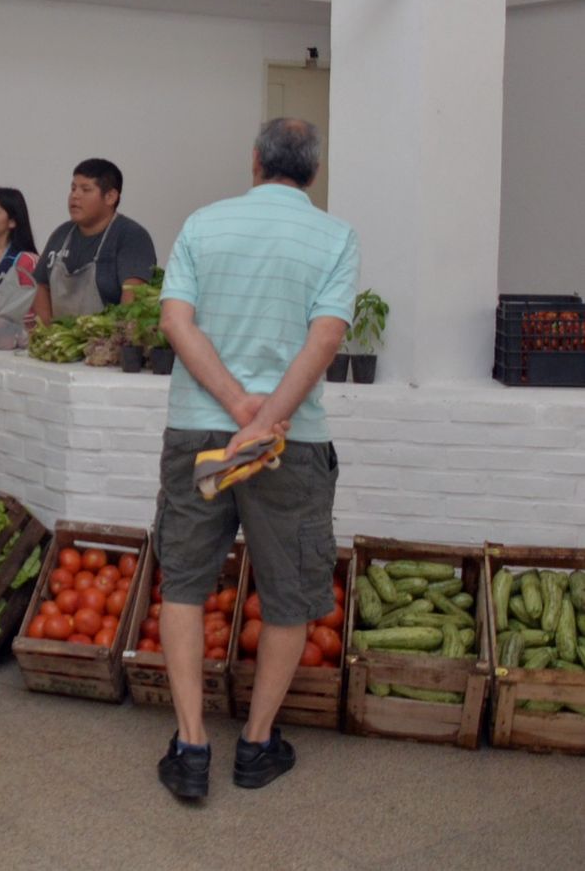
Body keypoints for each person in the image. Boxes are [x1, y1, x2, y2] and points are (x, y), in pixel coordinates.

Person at [151, 118, 358, 798]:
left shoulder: (202, 224)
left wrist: (238, 407)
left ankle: (190, 746)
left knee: (183, 582)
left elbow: (176, 323)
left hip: (198, 433)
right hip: (288, 444)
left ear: (254, 161)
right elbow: (325, 340)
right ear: (313, 172)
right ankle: (257, 744)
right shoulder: (335, 236)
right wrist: (264, 419)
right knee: (290, 593)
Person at [34, 159, 157, 323]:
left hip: (107, 344)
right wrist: (47, 333)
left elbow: (133, 299)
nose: (75, 195)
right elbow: (40, 285)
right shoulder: (61, 234)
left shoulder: (131, 236)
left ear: (110, 197)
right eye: (73, 188)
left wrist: (112, 342)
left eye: (85, 189)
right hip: (61, 343)